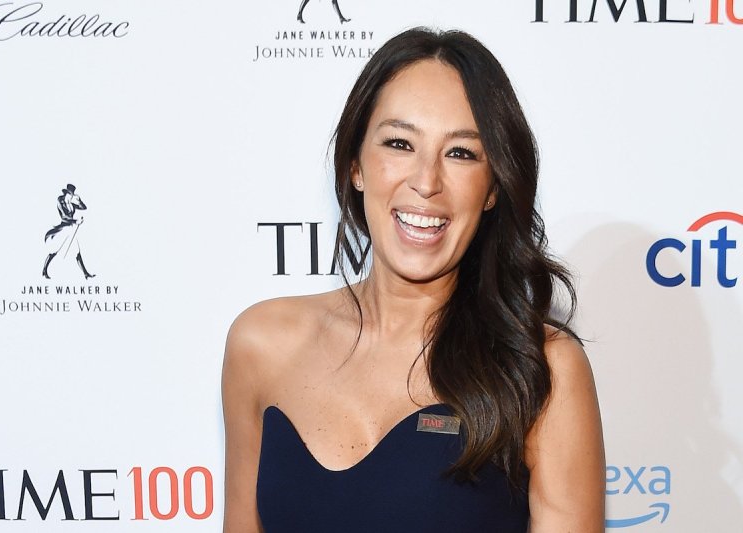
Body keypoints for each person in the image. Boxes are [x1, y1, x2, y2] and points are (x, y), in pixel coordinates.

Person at [222, 28, 604, 532]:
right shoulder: (261, 344)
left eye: (462, 153)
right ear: (356, 165)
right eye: (399, 143)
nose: (426, 181)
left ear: (492, 189)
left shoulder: (541, 368)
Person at [42, 184, 95, 279]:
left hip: (71, 229)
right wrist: (75, 221)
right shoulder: (60, 202)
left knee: (77, 252)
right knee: (54, 250)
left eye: (72, 195)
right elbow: (64, 217)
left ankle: (85, 273)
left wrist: (79, 200)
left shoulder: (72, 203)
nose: (71, 196)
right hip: (63, 228)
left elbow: (84, 208)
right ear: (66, 194)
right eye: (70, 194)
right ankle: (44, 270)